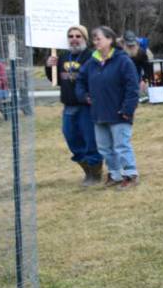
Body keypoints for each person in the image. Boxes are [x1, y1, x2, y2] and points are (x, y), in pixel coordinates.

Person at [76, 26, 140, 189]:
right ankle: (115, 174)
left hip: (119, 113)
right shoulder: (91, 62)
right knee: (104, 148)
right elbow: (80, 82)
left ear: (110, 40)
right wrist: (84, 96)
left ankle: (130, 175)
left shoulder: (123, 61)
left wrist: (127, 109)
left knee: (121, 145)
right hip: (99, 113)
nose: (95, 42)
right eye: (94, 39)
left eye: (99, 38)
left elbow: (132, 87)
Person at [46, 25, 103, 186]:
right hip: (69, 106)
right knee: (72, 139)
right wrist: (49, 66)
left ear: (85, 39)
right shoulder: (62, 57)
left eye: (78, 36)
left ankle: (95, 174)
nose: (74, 39)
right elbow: (55, 80)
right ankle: (87, 171)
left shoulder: (93, 57)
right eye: (71, 36)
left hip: (86, 106)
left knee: (90, 141)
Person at [122, 30, 153, 98]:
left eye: (133, 45)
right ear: (124, 44)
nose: (131, 47)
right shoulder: (118, 52)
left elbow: (148, 69)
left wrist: (144, 80)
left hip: (135, 80)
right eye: (129, 46)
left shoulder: (141, 53)